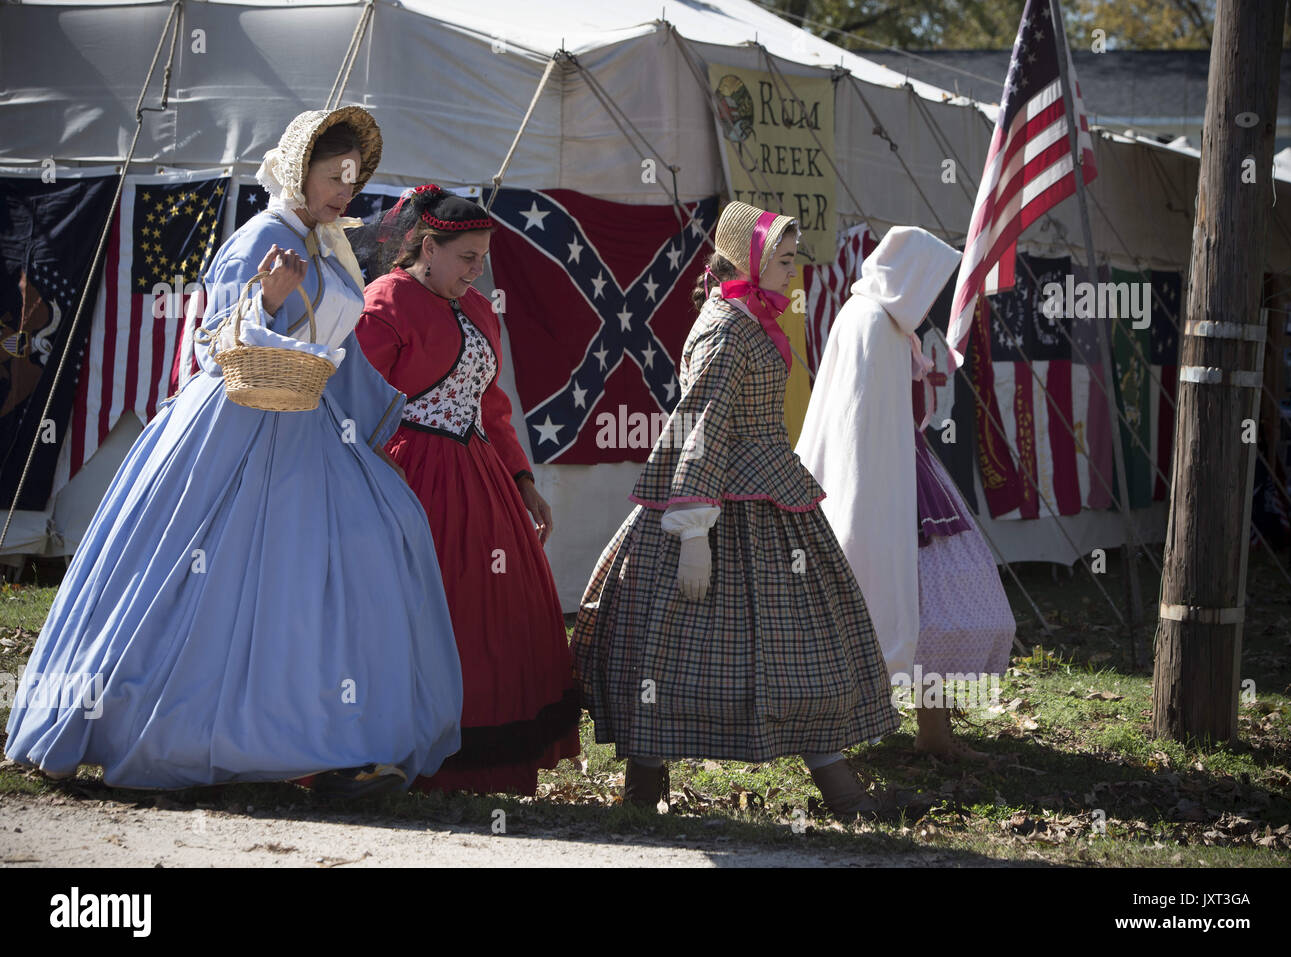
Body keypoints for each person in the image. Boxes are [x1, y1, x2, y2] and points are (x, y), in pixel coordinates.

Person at [4, 107, 463, 795]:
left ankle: (334, 743)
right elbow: (215, 342)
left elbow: (340, 353)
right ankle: (154, 730)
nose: (344, 190)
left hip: (311, 425)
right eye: (332, 176)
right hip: (235, 427)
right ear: (296, 169)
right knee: (202, 582)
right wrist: (265, 300)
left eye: (351, 178)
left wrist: (375, 433)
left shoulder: (330, 249)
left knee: (358, 553)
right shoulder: (260, 238)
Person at [572, 201, 900, 815]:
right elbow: (700, 429)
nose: (791, 268)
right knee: (672, 647)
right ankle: (646, 789)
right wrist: (693, 529)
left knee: (790, 644)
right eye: (780, 259)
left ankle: (841, 790)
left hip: (768, 491)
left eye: (793, 257)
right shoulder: (727, 328)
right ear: (746, 259)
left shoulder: (746, 316)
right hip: (719, 499)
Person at [354, 185, 580, 796]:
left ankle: (486, 765)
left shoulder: (478, 308)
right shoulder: (385, 304)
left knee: (494, 613)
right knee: (427, 610)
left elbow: (492, 404)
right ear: (428, 246)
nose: (476, 271)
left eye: (483, 259)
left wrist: (523, 478)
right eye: (466, 258)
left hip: (480, 475)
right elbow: (354, 404)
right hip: (410, 478)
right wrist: (378, 470)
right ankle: (410, 756)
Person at [795, 226, 1015, 758]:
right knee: (894, 606)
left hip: (908, 471)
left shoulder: (885, 322)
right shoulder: (870, 321)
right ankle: (839, 732)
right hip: (880, 479)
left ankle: (934, 732)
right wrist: (872, 491)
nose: (935, 298)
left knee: (935, 609)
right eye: (931, 282)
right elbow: (859, 421)